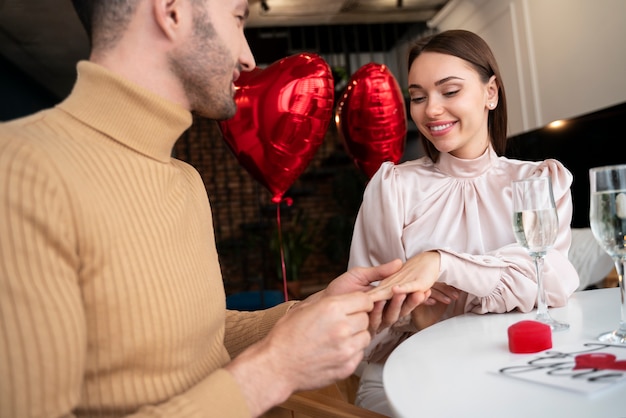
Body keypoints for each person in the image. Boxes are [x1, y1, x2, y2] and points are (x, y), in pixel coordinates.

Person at [0, 1, 431, 417]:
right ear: (172, 12)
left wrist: (308, 312)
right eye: (238, 18)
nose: (247, 57)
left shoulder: (185, 179)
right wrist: (275, 368)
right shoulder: (19, 171)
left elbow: (202, 336)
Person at [350, 29, 580, 415]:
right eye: (418, 97)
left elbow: (551, 280)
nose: (431, 110)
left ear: (491, 92)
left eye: (449, 91)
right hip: (412, 374)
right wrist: (414, 315)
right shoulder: (393, 188)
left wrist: (441, 263)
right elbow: (369, 309)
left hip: (519, 367)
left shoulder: (539, 181)